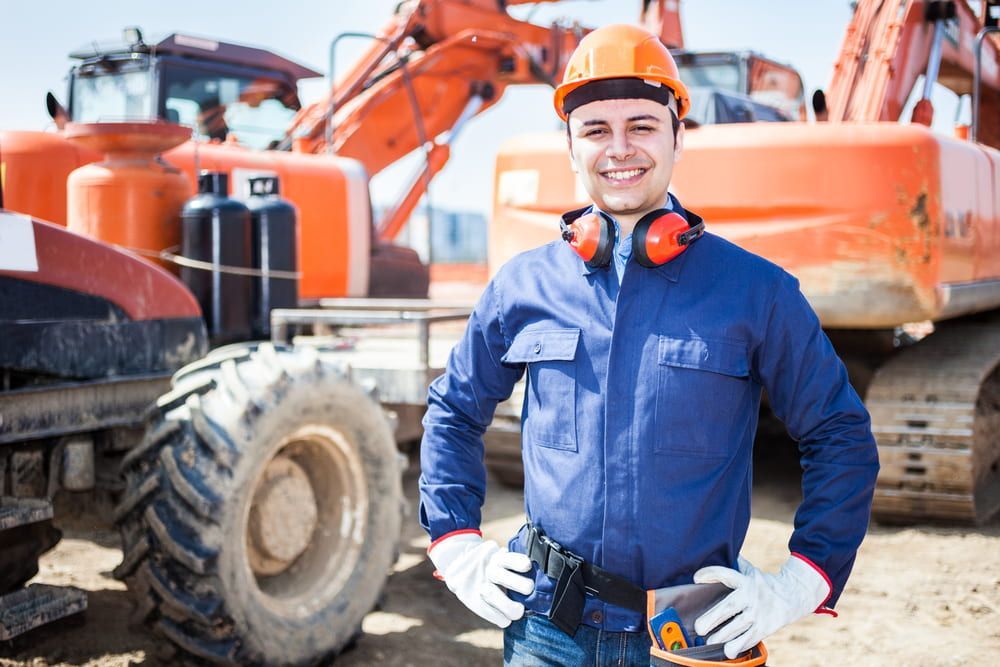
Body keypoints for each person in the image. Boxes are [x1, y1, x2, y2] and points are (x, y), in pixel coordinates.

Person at [418, 23, 879, 666]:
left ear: (677, 136)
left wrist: (804, 578)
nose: (620, 149)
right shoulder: (522, 286)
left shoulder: (757, 291)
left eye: (641, 125)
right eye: (596, 130)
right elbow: (453, 410)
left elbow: (839, 433)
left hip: (694, 636)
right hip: (548, 630)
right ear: (571, 147)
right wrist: (454, 540)